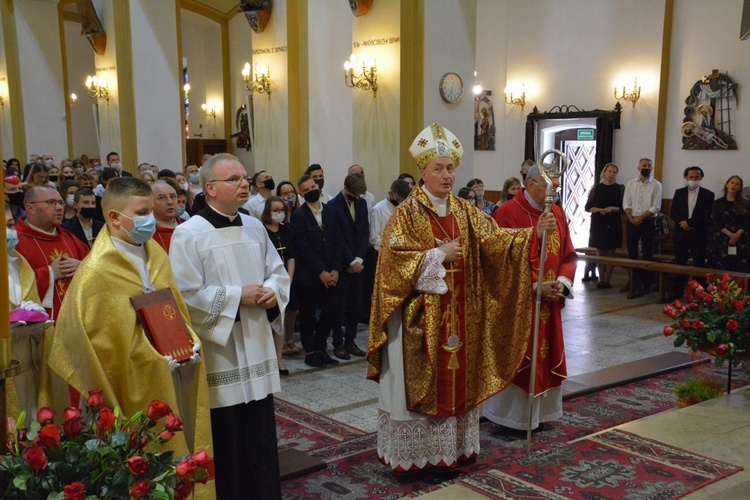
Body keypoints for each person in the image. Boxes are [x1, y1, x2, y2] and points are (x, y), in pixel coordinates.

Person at [367, 123, 556, 480]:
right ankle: (421, 458)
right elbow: (392, 266)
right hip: (419, 325)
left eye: (450, 168)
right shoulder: (407, 213)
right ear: (422, 172)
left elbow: (493, 241)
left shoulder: (464, 211)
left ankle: (453, 451)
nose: (446, 175)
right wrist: (436, 255)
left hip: (460, 317)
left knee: (458, 382)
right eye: (438, 168)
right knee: (427, 386)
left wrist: (532, 234)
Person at [42, 178, 214, 495]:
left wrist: (190, 339)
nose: (151, 218)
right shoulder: (96, 271)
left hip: (172, 370)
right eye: (143, 212)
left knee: (182, 448)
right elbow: (93, 345)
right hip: (131, 383)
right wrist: (150, 355)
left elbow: (174, 310)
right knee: (142, 469)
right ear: (115, 218)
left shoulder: (156, 255)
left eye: (151, 210)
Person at [170, 153, 289, 498]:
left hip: (256, 341)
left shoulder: (254, 226)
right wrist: (238, 297)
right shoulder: (189, 234)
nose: (244, 184)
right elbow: (186, 296)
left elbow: (277, 272)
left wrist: (272, 292)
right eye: (233, 179)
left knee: (260, 431)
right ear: (209, 188)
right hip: (221, 352)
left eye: (244, 177)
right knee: (230, 435)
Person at [484, 165, 576, 434]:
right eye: (552, 187)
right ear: (531, 184)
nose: (555, 192)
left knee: (546, 357)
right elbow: (497, 260)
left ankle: (541, 414)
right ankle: (510, 419)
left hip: (550, 302)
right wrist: (535, 285)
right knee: (520, 359)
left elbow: (568, 253)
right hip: (519, 305)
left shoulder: (556, 212)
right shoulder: (507, 212)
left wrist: (562, 282)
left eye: (558, 186)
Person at [289, 175, 343, 368]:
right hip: (310, 276)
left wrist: (335, 269)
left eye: (313, 186)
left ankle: (321, 348)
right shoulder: (298, 216)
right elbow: (303, 247)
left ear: (318, 187)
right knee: (309, 314)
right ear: (302, 194)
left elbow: (338, 241)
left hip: (332, 274)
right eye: (306, 190)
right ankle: (310, 351)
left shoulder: (331, 211)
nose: (311, 190)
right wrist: (321, 272)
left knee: (330, 312)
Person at [5, 204, 54, 419]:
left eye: (9, 224)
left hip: (28, 362)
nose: (9, 232)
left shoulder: (19, 262)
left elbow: (34, 303)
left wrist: (37, 315)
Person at [15, 186, 90, 319]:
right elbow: (12, 288)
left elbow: (95, 270)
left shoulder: (70, 238)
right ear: (30, 208)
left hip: (77, 322)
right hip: (40, 327)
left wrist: (83, 267)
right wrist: (50, 273)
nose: (59, 207)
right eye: (51, 202)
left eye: (61, 202)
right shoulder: (15, 242)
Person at [327, 173, 370, 360]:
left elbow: (364, 232)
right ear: (346, 189)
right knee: (338, 306)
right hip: (342, 265)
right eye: (355, 194)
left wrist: (359, 259)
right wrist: (351, 261)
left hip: (358, 264)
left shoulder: (361, 204)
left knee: (356, 304)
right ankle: (338, 343)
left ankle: (350, 341)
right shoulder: (333, 206)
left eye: (360, 194)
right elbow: (337, 238)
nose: (358, 197)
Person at [261, 196, 296, 375]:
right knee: (267, 322)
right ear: (268, 211)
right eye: (275, 210)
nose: (279, 213)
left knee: (280, 322)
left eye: (281, 210)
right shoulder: (261, 231)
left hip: (283, 282)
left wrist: (288, 280)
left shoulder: (287, 230)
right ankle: (267, 360)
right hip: (266, 282)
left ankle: (279, 359)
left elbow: (291, 256)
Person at [622, 158, 662, 298]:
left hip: (647, 221)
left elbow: (656, 206)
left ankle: (646, 283)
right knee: (631, 252)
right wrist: (631, 218)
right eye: (644, 165)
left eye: (649, 166)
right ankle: (632, 282)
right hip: (632, 221)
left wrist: (640, 218)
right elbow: (626, 203)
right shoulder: (631, 183)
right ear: (638, 167)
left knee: (647, 253)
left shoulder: (656, 185)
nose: (646, 167)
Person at [585, 163, 624, 289]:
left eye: (614, 172)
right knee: (599, 251)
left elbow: (623, 208)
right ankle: (601, 278)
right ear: (604, 172)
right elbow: (588, 207)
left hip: (613, 222)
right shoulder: (597, 188)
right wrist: (598, 209)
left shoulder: (619, 188)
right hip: (598, 222)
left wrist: (612, 208)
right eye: (610, 172)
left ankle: (608, 280)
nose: (611, 174)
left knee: (611, 251)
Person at [711, 175, 750, 272]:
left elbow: (747, 221)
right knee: (721, 267)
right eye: (732, 182)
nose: (734, 185)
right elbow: (717, 221)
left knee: (740, 267)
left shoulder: (746, 203)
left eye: (737, 184)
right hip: (723, 238)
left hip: (740, 238)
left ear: (740, 188)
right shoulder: (718, 203)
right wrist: (731, 235)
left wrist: (736, 235)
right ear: (727, 185)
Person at [369, 179, 411, 253]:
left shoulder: (405, 208)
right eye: (398, 199)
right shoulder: (378, 209)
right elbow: (374, 239)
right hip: (383, 253)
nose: (400, 202)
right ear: (390, 193)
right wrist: (390, 250)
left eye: (403, 200)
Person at [152, 181, 181, 253]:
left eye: (172, 196)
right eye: (161, 197)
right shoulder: (147, 233)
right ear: (150, 202)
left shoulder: (188, 226)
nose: (170, 202)